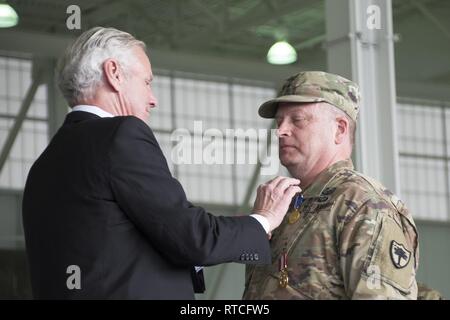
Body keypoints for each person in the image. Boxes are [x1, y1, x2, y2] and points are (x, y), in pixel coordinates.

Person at [22, 27, 301, 299]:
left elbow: (123, 249)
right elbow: (191, 239)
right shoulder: (121, 134)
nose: (153, 99)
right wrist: (262, 220)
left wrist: (229, 231)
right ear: (114, 74)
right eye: (146, 82)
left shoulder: (45, 163)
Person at [243, 71, 419, 300]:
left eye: (297, 120)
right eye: (279, 121)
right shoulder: (280, 205)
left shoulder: (364, 205)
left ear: (340, 129)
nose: (282, 130)